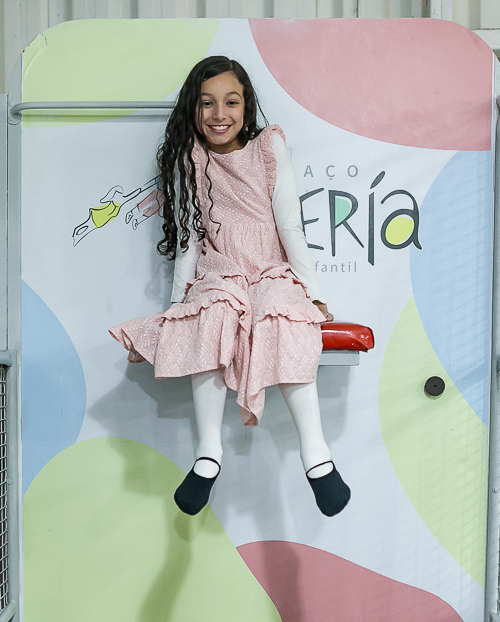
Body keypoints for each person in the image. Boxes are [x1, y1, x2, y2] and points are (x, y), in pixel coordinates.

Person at [109, 56, 350, 517]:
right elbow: (188, 240)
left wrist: (313, 291)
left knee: (282, 313)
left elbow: (290, 227)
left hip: (268, 268)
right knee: (212, 313)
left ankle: (317, 457)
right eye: (207, 103)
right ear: (193, 110)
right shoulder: (190, 160)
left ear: (246, 105)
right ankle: (208, 454)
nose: (219, 114)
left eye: (231, 102)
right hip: (219, 271)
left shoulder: (268, 147)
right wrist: (178, 307)